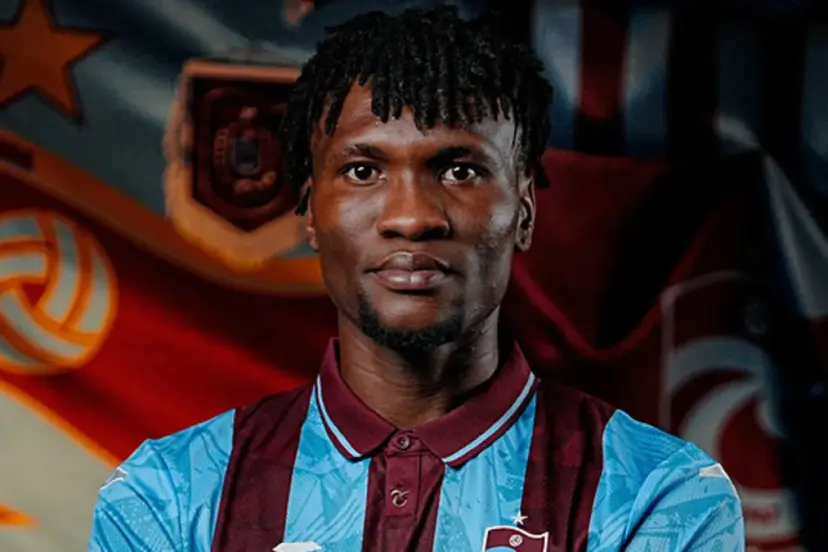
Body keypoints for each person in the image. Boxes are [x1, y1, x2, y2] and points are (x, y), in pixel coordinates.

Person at [88, 6, 744, 551]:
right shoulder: (167, 496)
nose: (411, 217)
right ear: (310, 212)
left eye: (459, 170)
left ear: (523, 211)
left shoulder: (659, 495)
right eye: (363, 171)